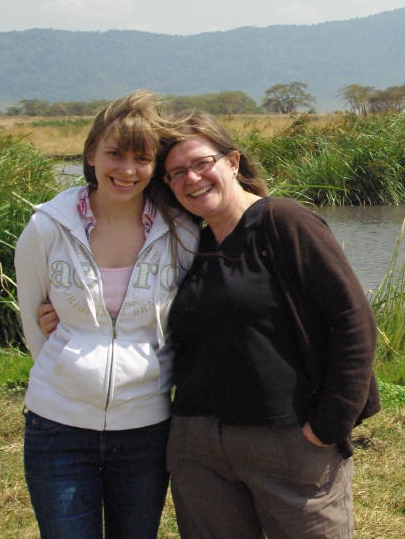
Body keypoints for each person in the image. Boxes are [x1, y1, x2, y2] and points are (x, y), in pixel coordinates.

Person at [158, 110, 380, 538]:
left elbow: (353, 321)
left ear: (233, 162)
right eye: (176, 173)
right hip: (198, 448)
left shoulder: (284, 222)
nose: (192, 178)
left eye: (202, 163)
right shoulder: (188, 245)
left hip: (288, 443)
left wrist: (328, 425)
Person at [14, 91, 199, 538]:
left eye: (142, 158)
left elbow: (192, 318)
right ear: (91, 154)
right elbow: (32, 324)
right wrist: (67, 364)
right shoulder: (47, 227)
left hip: (145, 429)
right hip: (57, 427)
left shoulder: (181, 233)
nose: (127, 170)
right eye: (116, 154)